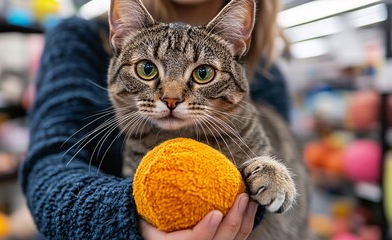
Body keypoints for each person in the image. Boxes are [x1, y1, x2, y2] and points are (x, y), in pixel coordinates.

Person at [21, 0, 290, 239]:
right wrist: (130, 218)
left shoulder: (270, 76)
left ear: (239, 43)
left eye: (203, 73)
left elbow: (273, 193)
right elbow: (51, 163)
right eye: (147, 69)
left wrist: (263, 178)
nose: (171, 97)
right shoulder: (80, 38)